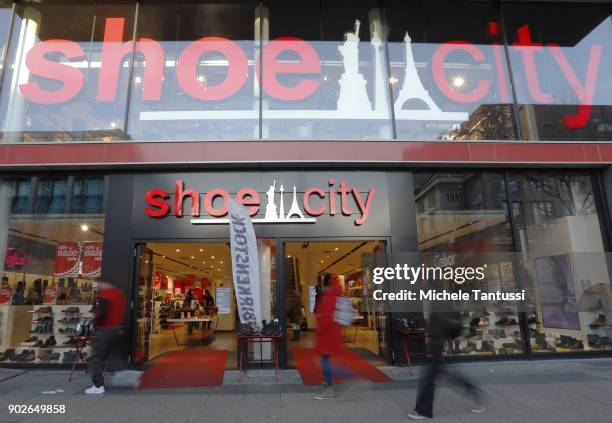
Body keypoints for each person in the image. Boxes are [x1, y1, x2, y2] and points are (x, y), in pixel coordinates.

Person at [407, 311, 486, 419]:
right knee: (448, 375)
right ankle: (477, 396)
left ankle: (423, 410)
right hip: (437, 342)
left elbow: (443, 321)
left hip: (438, 343)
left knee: (429, 376)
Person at [85, 280, 127, 394]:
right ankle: (127, 378)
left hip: (106, 328)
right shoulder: (120, 293)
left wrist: (95, 323)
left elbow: (103, 312)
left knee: (94, 356)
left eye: (98, 284)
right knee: (115, 355)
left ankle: (98, 385)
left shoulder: (105, 294)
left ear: (103, 283)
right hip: (118, 327)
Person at [313, 273, 350, 400]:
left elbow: (326, 317)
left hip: (327, 334)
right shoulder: (336, 292)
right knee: (325, 361)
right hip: (332, 332)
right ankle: (329, 385)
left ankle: (329, 389)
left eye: (323, 279)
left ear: (327, 281)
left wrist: (319, 329)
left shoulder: (329, 295)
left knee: (325, 362)